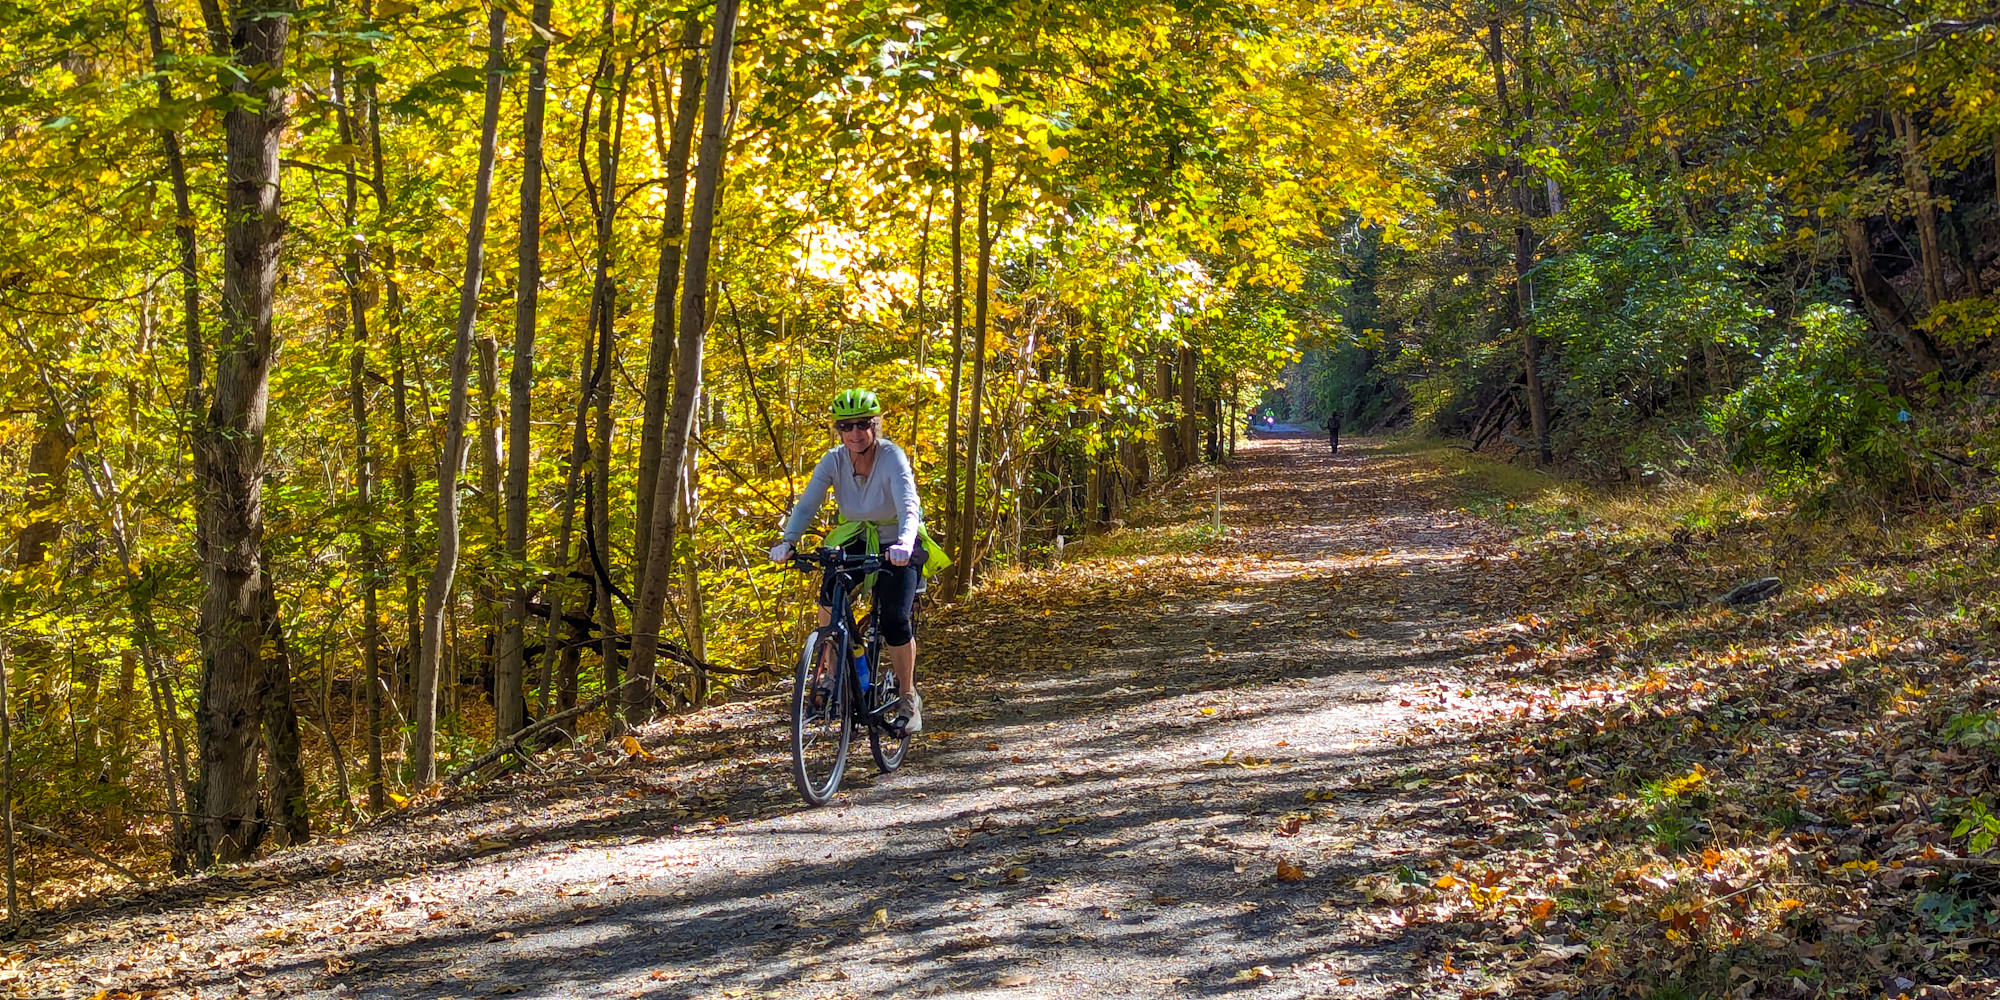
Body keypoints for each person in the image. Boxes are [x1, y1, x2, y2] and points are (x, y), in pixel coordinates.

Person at [768, 389, 944, 734]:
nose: (854, 433)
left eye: (862, 424)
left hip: (898, 541)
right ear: (838, 431)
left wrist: (906, 543)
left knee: (894, 619)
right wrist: (788, 540)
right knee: (830, 592)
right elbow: (807, 505)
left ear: (875, 425)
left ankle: (908, 697)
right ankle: (832, 672)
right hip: (855, 536)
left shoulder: (892, 456)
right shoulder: (833, 460)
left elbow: (909, 505)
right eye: (846, 426)